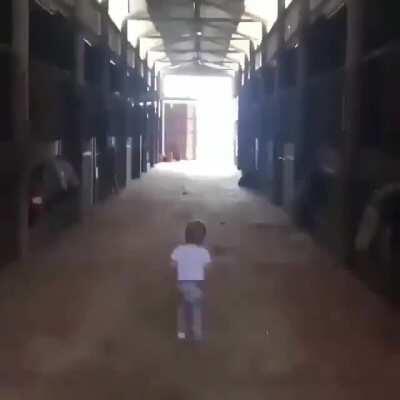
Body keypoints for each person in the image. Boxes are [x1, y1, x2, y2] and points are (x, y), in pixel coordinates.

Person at [171, 221, 211, 342]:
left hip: (182, 284)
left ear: (186, 235)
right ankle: (197, 334)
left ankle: (181, 333)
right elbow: (207, 266)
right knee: (196, 309)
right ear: (203, 238)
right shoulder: (204, 252)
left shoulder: (178, 249)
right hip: (196, 285)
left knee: (181, 309)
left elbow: (172, 264)